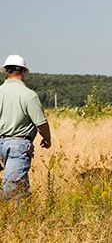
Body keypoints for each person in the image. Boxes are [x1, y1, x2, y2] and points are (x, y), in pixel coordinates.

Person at [0, 54, 51, 199]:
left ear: (6, 71)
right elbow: (41, 123)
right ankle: (14, 219)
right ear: (24, 72)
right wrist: (47, 139)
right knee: (14, 191)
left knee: (18, 189)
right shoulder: (29, 95)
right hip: (18, 144)